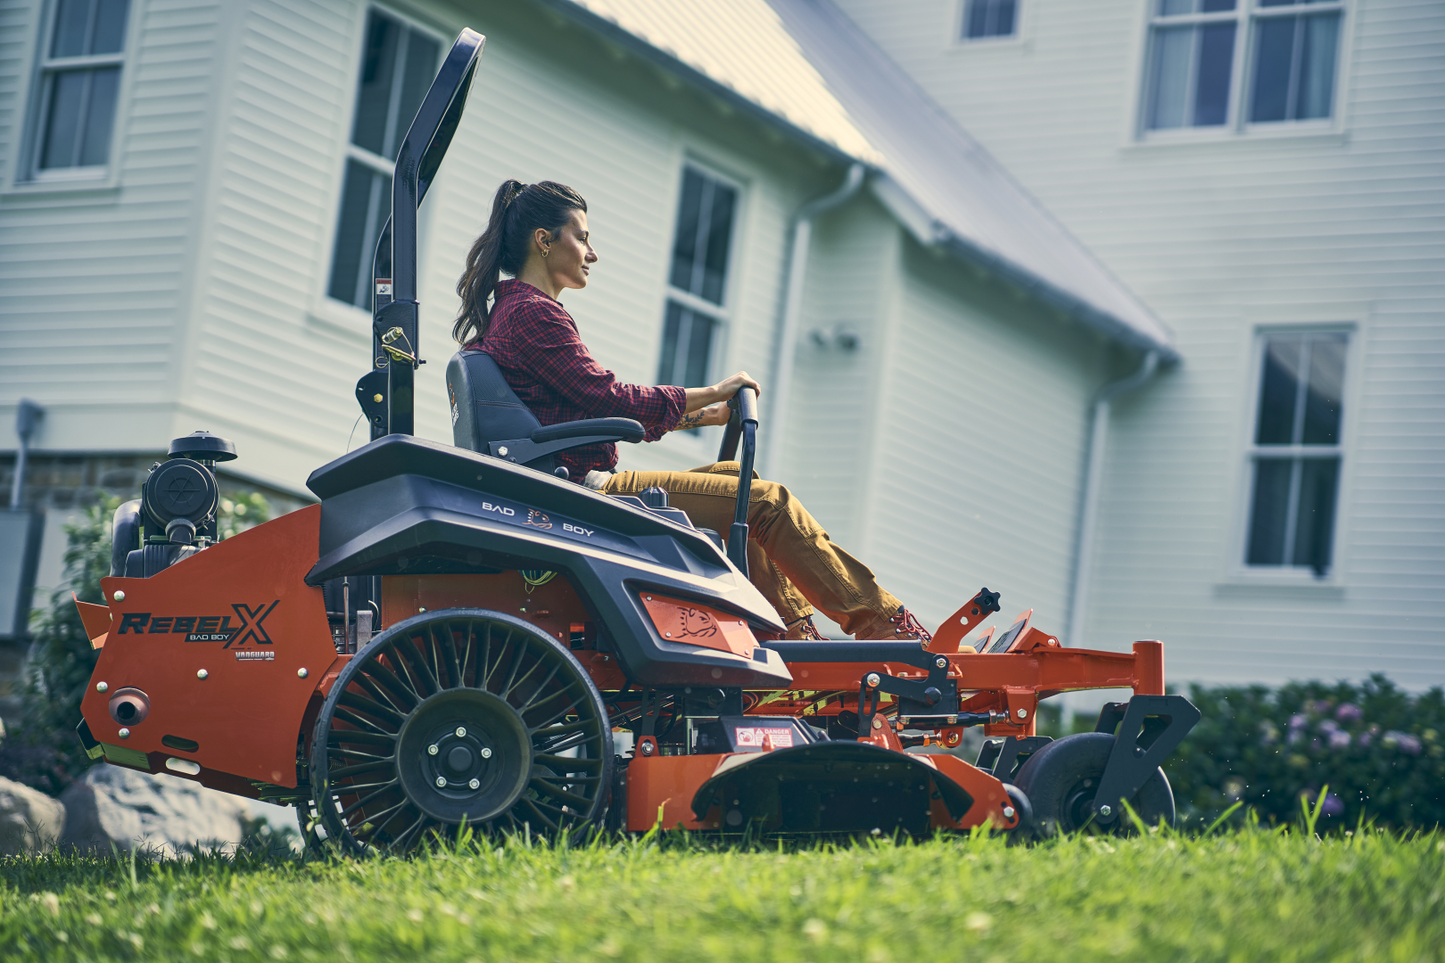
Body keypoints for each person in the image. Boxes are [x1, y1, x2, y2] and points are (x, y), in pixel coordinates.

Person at [453, 179, 932, 643]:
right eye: (582, 238)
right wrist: (713, 391)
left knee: (733, 477)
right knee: (768, 502)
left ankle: (797, 637)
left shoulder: (516, 310)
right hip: (583, 493)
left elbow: (594, 408)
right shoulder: (534, 313)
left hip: (572, 482)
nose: (592, 253)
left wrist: (708, 415)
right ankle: (885, 625)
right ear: (544, 240)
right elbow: (611, 399)